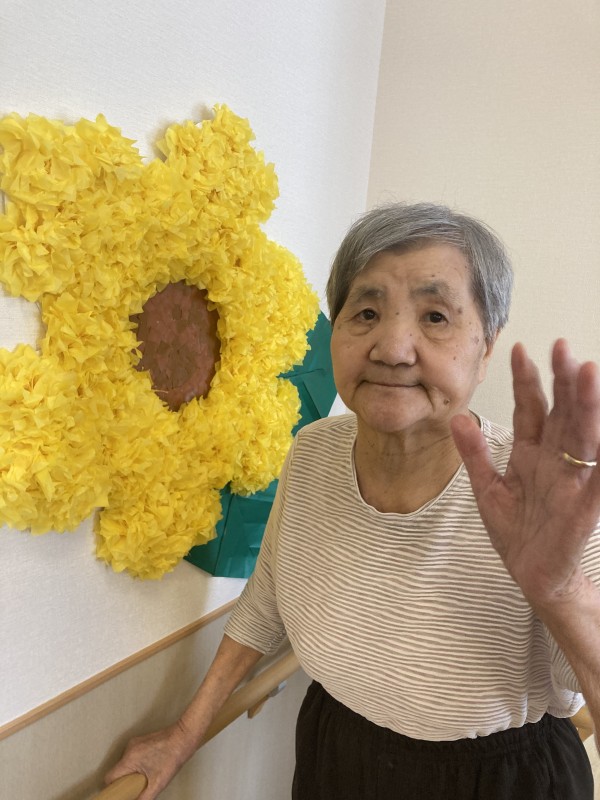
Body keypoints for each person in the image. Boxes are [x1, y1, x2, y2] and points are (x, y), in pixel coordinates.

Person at [105, 203, 600, 799]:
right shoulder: (312, 452)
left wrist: (562, 593)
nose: (392, 348)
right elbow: (267, 602)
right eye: (366, 312)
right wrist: (184, 733)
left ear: (486, 346)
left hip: (501, 779)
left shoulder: (542, 497)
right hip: (336, 753)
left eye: (435, 316)